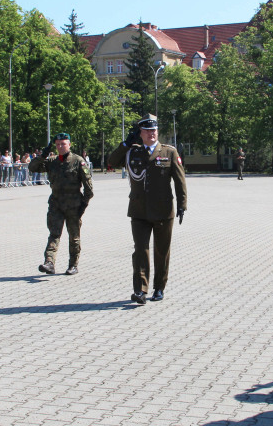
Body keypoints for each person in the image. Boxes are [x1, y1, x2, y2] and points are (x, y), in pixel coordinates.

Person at [107, 114, 188, 304]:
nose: (151, 133)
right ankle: (140, 290)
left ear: (157, 132)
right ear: (140, 133)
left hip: (163, 210)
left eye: (154, 130)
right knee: (140, 250)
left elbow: (180, 181)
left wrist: (182, 205)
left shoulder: (169, 152)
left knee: (162, 252)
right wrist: (126, 144)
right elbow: (112, 161)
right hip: (139, 210)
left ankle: (159, 288)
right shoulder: (132, 151)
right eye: (147, 130)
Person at [28, 132, 93, 275]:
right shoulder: (52, 161)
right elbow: (32, 168)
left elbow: (89, 188)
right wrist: (42, 155)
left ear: (69, 144)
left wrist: (83, 206)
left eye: (63, 144)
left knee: (74, 237)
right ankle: (49, 262)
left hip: (73, 205)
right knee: (54, 234)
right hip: (56, 204)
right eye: (58, 145)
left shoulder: (78, 161)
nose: (60, 147)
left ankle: (73, 265)